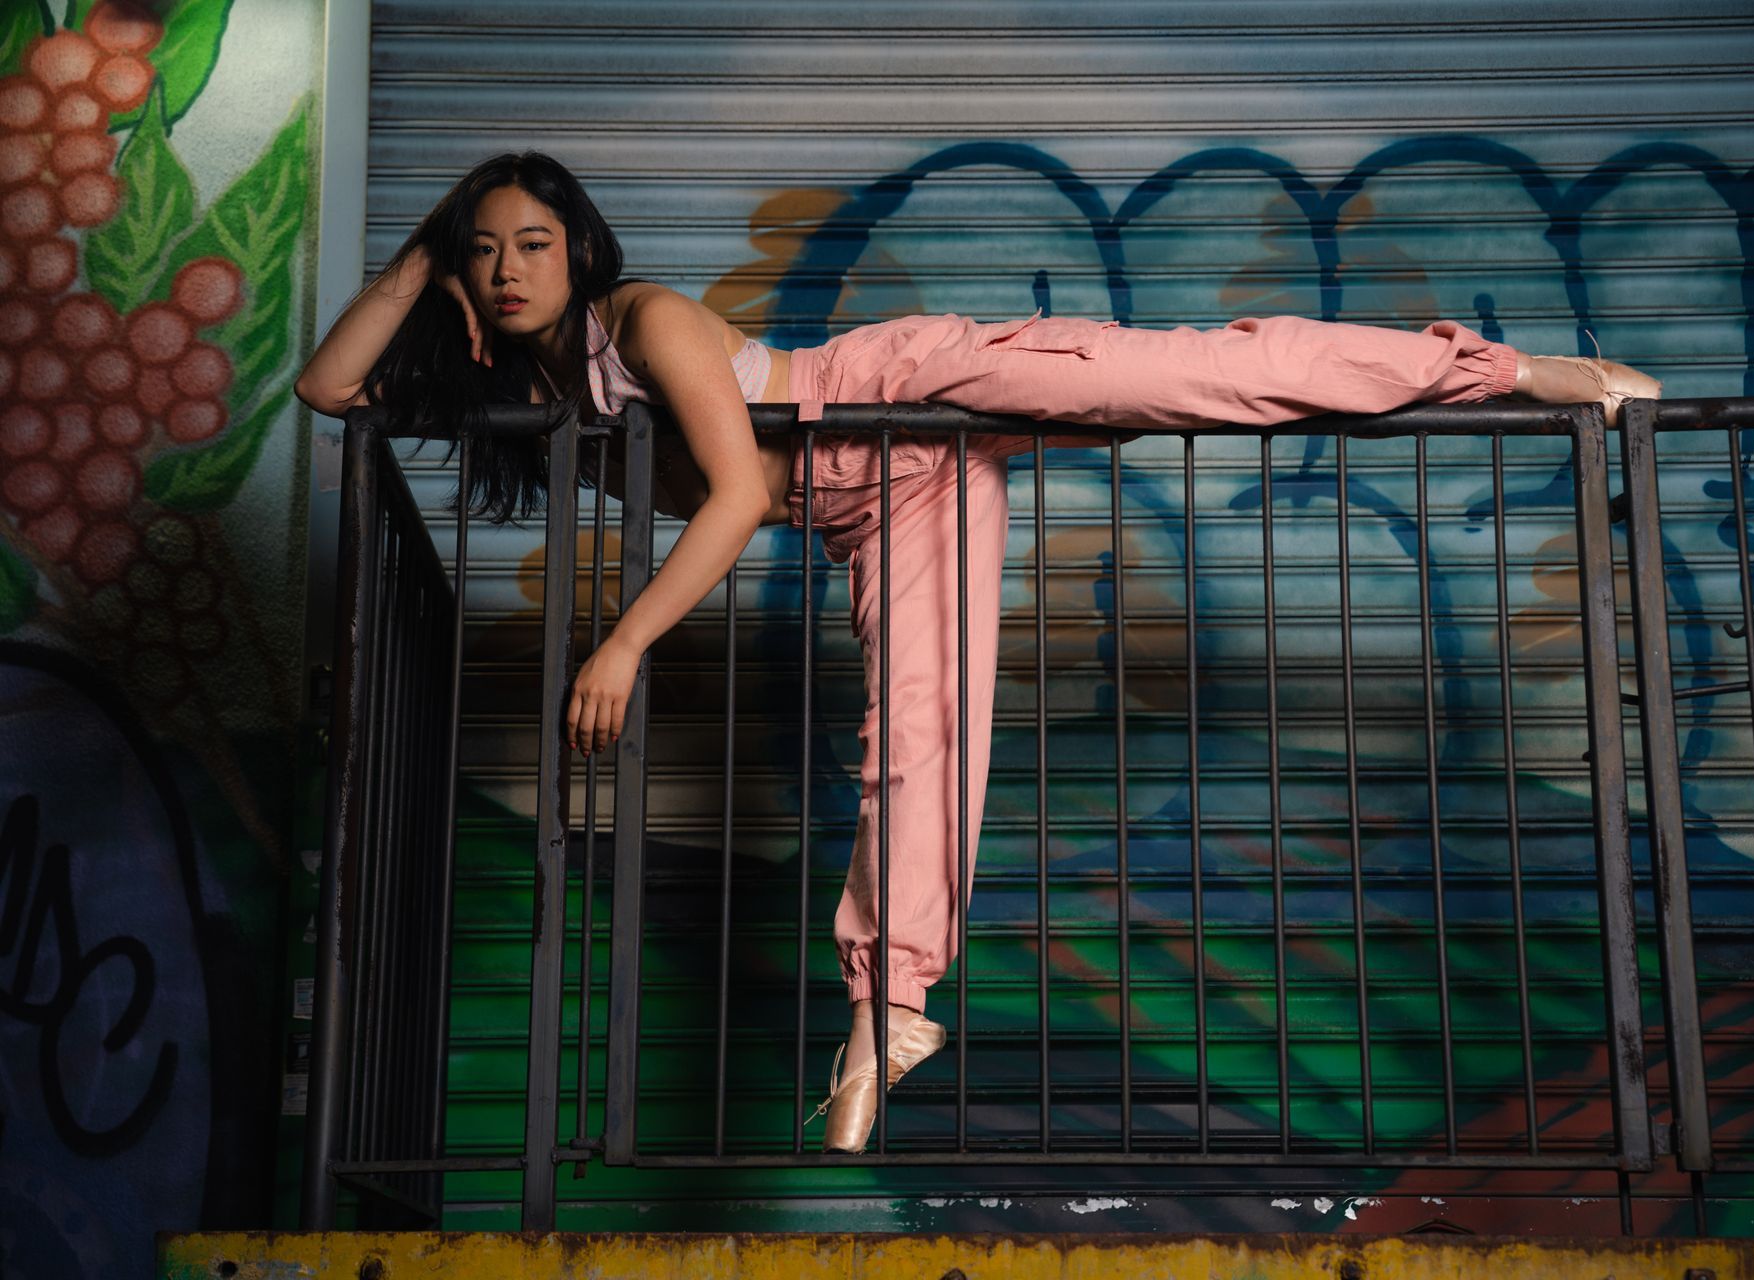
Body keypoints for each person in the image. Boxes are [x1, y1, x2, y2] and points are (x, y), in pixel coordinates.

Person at [294, 151, 1661, 1156]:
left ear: (578, 253)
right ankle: (889, 1011)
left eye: (532, 239)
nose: (509, 265)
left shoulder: (641, 319)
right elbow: (327, 387)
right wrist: (421, 251)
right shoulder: (526, 397)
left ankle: (1515, 372)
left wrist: (626, 645)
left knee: (1198, 375)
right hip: (885, 501)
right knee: (917, 737)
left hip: (914, 387)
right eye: (487, 249)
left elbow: (727, 491)